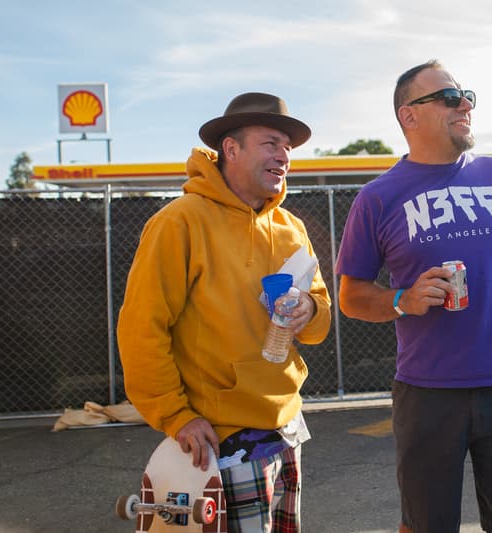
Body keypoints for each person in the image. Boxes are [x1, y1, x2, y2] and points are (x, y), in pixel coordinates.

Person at [335, 60, 492, 533]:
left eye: (466, 96)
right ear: (409, 116)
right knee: (426, 524)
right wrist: (404, 298)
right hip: (428, 392)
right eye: (448, 97)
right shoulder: (377, 198)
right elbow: (351, 297)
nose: (464, 104)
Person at [117, 92, 331, 532]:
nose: (284, 155)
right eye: (271, 143)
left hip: (288, 427)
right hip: (221, 438)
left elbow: (320, 321)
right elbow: (142, 328)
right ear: (230, 149)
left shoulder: (292, 229)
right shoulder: (179, 222)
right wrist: (176, 416)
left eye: (288, 147)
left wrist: (309, 309)